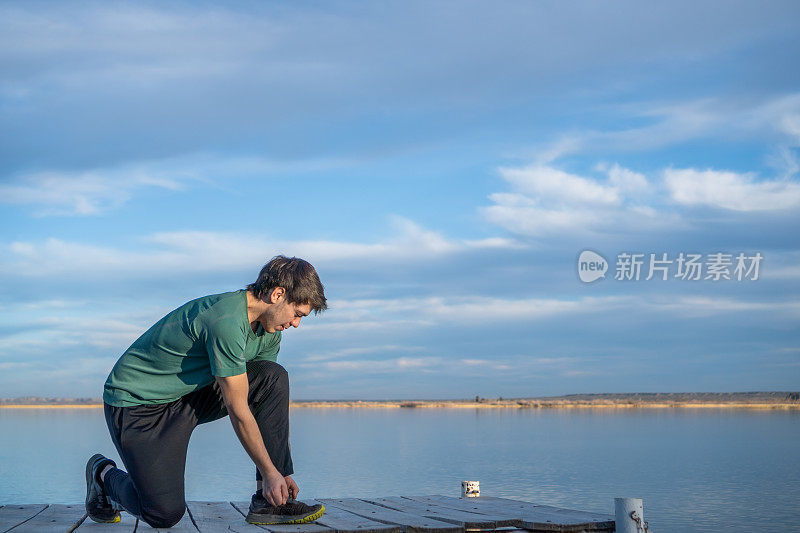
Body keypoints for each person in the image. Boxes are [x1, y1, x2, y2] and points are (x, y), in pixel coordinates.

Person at [85, 255, 327, 528]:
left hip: (186, 398)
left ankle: (266, 501)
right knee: (162, 514)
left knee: (273, 378)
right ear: (277, 294)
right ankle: (103, 475)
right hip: (136, 406)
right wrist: (270, 471)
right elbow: (238, 409)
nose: (296, 324)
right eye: (297, 314)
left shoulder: (270, 331)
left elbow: (260, 399)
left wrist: (278, 474)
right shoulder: (225, 320)